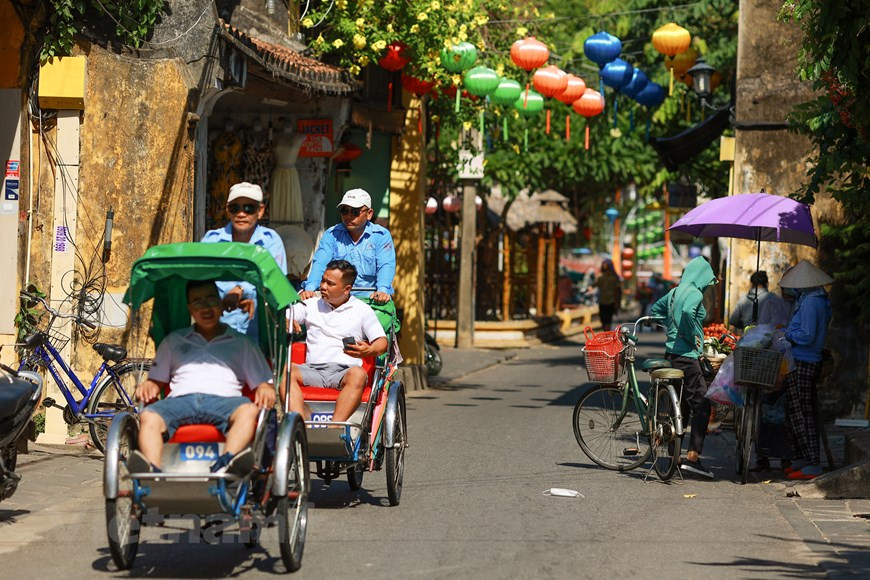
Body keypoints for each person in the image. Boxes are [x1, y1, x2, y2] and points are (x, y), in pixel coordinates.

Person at [130, 280, 276, 474]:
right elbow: (156, 383)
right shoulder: (174, 341)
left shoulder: (242, 343)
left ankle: (227, 462)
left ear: (220, 302)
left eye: (210, 300)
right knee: (148, 415)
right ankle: (153, 474)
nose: (205, 308)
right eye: (197, 302)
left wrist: (266, 388)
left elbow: (263, 384)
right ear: (189, 308)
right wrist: (148, 386)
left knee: (248, 410)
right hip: (180, 401)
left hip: (226, 402)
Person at [283, 260, 388, 423]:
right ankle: (301, 427)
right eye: (323, 280)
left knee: (358, 374)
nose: (323, 286)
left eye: (330, 283)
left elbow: (382, 342)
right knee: (283, 372)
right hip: (312, 370)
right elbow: (287, 315)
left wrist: (368, 351)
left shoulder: (362, 310)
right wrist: (287, 320)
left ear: (347, 289)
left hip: (344, 372)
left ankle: (334, 428)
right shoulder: (310, 304)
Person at [650, 256, 719, 479]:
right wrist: (691, 337)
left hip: (671, 354)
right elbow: (689, 313)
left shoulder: (674, 292)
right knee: (701, 404)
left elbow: (656, 309)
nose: (707, 287)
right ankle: (693, 455)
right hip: (688, 356)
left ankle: (674, 455)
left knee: (680, 405)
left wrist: (671, 325)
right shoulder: (695, 294)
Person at [202, 182, 288, 341]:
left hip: (259, 329)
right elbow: (201, 280)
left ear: (260, 211)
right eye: (236, 208)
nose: (241, 214)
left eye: (249, 208)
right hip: (216, 327)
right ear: (228, 210)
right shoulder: (211, 241)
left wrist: (241, 289)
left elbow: (277, 282)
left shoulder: (271, 241)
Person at [779, 260, 833, 480]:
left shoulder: (812, 303)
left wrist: (789, 336)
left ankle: (812, 462)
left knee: (803, 414)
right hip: (801, 359)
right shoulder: (811, 299)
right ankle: (802, 458)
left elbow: (808, 335)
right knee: (795, 411)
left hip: (805, 360)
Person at [299, 188, 395, 304]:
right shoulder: (331, 234)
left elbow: (385, 265)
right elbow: (320, 263)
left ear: (369, 214)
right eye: (344, 211)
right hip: (337, 302)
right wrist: (310, 288)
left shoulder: (381, 236)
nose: (348, 216)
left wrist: (382, 290)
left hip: (371, 302)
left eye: (355, 212)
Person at [594, 259, 621, 331]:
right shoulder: (600, 276)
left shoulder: (614, 277)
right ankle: (605, 333)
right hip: (602, 300)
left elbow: (617, 291)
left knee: (608, 320)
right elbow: (595, 285)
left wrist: (617, 303)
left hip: (611, 301)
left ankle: (607, 334)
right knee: (603, 319)